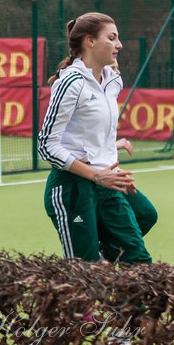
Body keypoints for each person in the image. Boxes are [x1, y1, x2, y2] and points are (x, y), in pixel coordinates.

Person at [38, 13, 148, 264]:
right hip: (72, 188)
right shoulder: (71, 82)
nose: (119, 45)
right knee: (85, 272)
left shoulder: (113, 80)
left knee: (142, 234)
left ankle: (106, 258)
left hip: (107, 182)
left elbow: (90, 128)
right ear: (90, 41)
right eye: (111, 38)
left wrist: (110, 149)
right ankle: (92, 258)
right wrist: (97, 174)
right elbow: (46, 146)